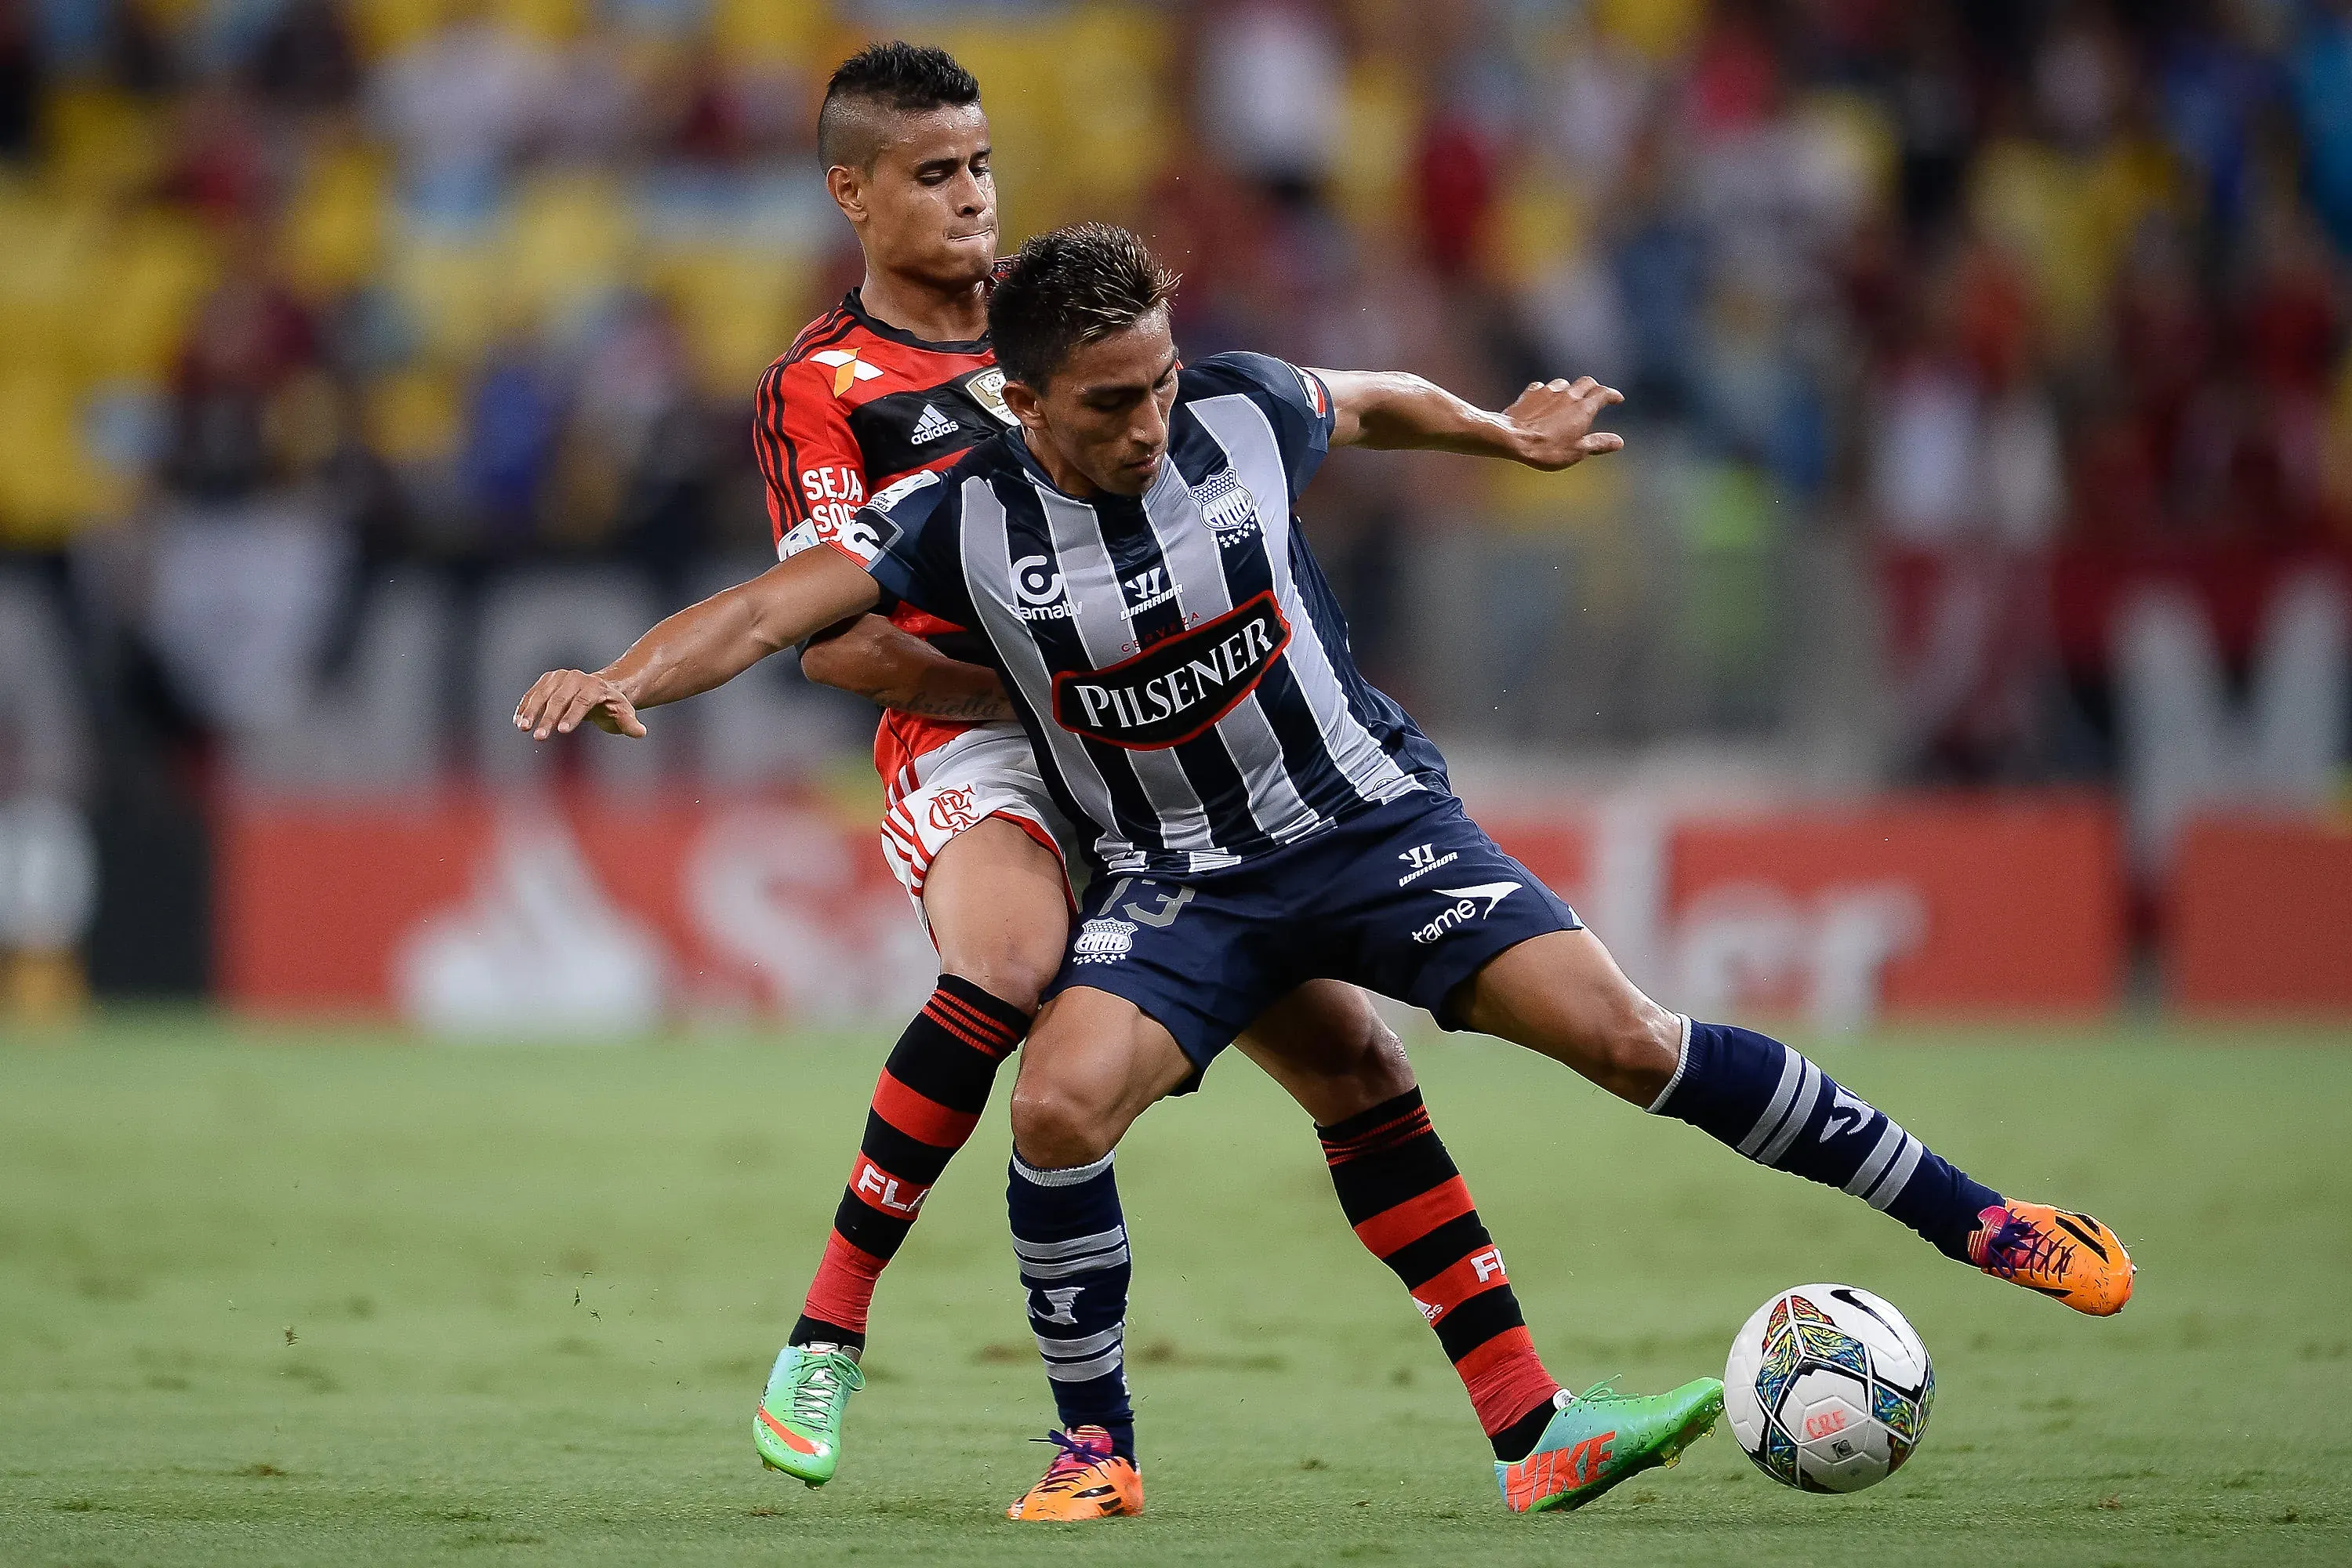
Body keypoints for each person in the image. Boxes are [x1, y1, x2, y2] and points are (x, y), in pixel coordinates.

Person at [517, 223, 2134, 1518]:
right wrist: (624, 678)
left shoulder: (1239, 403)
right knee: (1060, 1107)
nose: (1148, 421)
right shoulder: (954, 520)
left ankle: (1979, 1219)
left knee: (1631, 1042)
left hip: (1373, 829)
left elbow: (1377, 399)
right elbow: (770, 610)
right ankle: (1101, 1449)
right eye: (1107, 403)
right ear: (1024, 405)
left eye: (1155, 383)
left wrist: (1511, 436)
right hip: (1179, 886)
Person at [644, 42, 1582, 1520]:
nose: (972, 198)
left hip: (1152, 756)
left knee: (1356, 1068)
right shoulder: (822, 389)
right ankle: (828, 1332)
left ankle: (1532, 1422)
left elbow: (1304, 420)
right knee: (1012, 962)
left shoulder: (1064, 335)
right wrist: (1045, 681)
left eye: (982, 164)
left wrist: (1486, 431)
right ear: (852, 192)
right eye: (934, 173)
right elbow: (834, 646)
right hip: (981, 737)